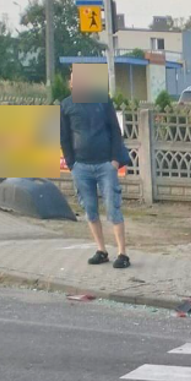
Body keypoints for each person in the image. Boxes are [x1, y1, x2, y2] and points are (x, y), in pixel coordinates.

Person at [59, 74, 132, 268]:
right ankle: (101, 250)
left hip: (105, 165)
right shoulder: (66, 105)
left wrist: (115, 161)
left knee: (113, 207)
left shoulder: (103, 101)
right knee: (90, 209)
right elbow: (64, 136)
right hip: (81, 167)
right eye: (75, 80)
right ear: (71, 83)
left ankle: (122, 253)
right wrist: (71, 163)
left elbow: (115, 131)